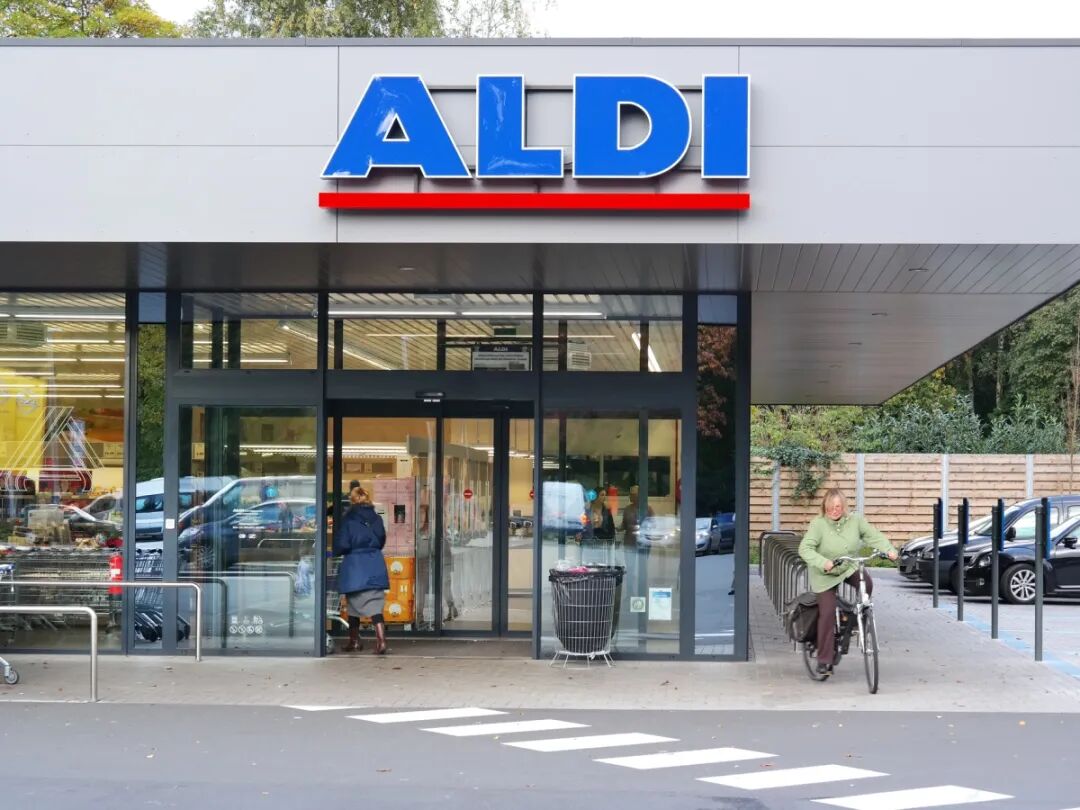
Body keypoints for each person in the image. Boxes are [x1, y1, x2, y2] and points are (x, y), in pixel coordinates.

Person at [798, 488, 897, 677]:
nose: (834, 510)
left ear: (844, 507)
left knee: (867, 583)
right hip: (825, 573)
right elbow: (805, 549)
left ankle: (854, 618)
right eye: (830, 507)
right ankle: (824, 660)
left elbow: (873, 536)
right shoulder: (818, 524)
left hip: (847, 566)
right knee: (827, 613)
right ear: (824, 507)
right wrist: (823, 562)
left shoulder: (855, 521)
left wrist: (889, 550)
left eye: (838, 507)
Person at [333, 486, 389, 654]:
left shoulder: (349, 519)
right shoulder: (377, 518)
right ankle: (379, 641)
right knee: (375, 604)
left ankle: (356, 641)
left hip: (355, 565)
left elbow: (342, 544)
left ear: (352, 500)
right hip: (375, 562)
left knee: (353, 603)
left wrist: (336, 550)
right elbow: (381, 540)